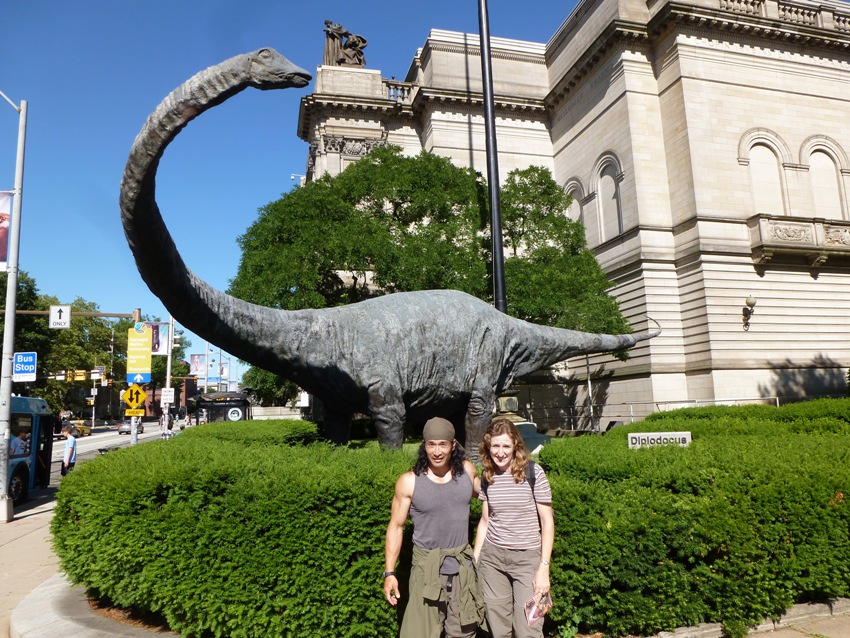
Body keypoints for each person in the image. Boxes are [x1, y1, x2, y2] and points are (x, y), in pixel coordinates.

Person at [384, 417, 485, 638]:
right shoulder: (409, 481)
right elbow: (396, 527)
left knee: (463, 633)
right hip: (425, 570)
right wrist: (389, 572)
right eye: (431, 444)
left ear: (453, 445)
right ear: (424, 446)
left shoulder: (467, 472)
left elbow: (491, 495)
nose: (437, 451)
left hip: (462, 571)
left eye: (442, 444)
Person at [473, 418, 555, 638]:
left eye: (506, 446)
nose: (500, 452)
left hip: (527, 560)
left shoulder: (533, 473)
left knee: (528, 628)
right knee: (498, 630)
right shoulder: (487, 475)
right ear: (488, 446)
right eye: (495, 446)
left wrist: (543, 568)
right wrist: (476, 560)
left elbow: (547, 522)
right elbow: (485, 520)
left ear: (515, 446)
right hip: (493, 560)